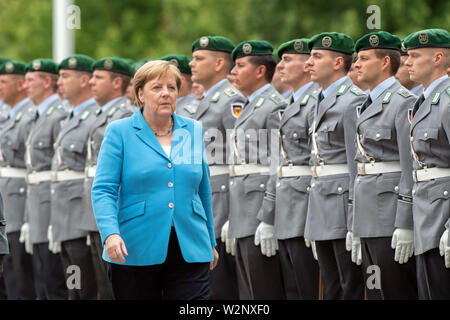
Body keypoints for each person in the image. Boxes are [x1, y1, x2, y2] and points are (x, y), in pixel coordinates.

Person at [91, 60, 218, 300]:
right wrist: (110, 233)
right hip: (135, 246)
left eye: (172, 88)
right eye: (157, 88)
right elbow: (104, 190)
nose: (166, 94)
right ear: (140, 93)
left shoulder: (192, 130)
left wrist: (210, 240)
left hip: (190, 244)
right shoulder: (121, 132)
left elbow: (201, 188)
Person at [351, 31, 418, 299]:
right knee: (375, 292)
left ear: (384, 63)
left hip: (388, 216)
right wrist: (354, 225)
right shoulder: (367, 103)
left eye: (364, 58)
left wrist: (404, 221)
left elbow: (409, 166)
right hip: (368, 216)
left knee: (394, 292)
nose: (356, 64)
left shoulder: (403, 103)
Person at [303, 32, 367, 300]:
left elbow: (356, 163)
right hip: (322, 202)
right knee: (330, 287)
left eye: (317, 57)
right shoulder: (318, 100)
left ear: (338, 62)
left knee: (348, 285)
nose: (309, 63)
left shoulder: (352, 100)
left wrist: (355, 218)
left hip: (342, 204)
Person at [226, 40, 287, 299]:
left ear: (260, 71)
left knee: (263, 291)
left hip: (258, 207)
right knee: (248, 292)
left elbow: (278, 162)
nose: (234, 72)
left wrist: (268, 216)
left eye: (240, 66)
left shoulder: (274, 105)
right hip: (243, 209)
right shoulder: (251, 105)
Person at [189, 35, 245, 299]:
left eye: (199, 59)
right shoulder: (204, 100)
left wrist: (236, 213)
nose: (192, 64)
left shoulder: (231, 100)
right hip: (202, 198)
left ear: (219, 63)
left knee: (222, 282)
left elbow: (240, 157)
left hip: (222, 198)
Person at [80, 57, 135, 300]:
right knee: (102, 286)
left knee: (114, 286)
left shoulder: (126, 116)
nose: (91, 82)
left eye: (98, 77)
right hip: (97, 213)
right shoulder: (100, 114)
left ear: (117, 83)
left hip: (117, 213)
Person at [404, 28, 450, 299]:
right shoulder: (424, 101)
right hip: (426, 214)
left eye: (414, 55)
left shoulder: (446, 100)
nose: (407, 62)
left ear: (437, 58)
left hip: (443, 215)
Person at [274, 38, 321, 299]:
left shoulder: (315, 102)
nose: (280, 66)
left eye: (288, 59)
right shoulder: (290, 103)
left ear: (306, 66)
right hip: (288, 204)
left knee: (309, 287)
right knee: (293, 288)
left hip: (306, 204)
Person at [50, 54, 99, 300]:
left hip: (81, 214)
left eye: (65, 76)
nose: (59, 82)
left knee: (86, 285)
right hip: (65, 216)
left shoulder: (95, 117)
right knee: (73, 285)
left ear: (84, 80)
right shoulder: (70, 116)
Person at [22, 58, 69, 300]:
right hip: (36, 207)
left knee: (55, 282)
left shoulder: (59, 114)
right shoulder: (38, 115)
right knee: (41, 283)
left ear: (47, 82)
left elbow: (60, 166)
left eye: (31, 80)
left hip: (55, 208)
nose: (25, 85)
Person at [0, 61, 37, 299]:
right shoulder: (11, 116)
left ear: (20, 84)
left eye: (3, 82)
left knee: (22, 280)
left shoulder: (30, 116)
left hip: (21, 206)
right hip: (8, 206)